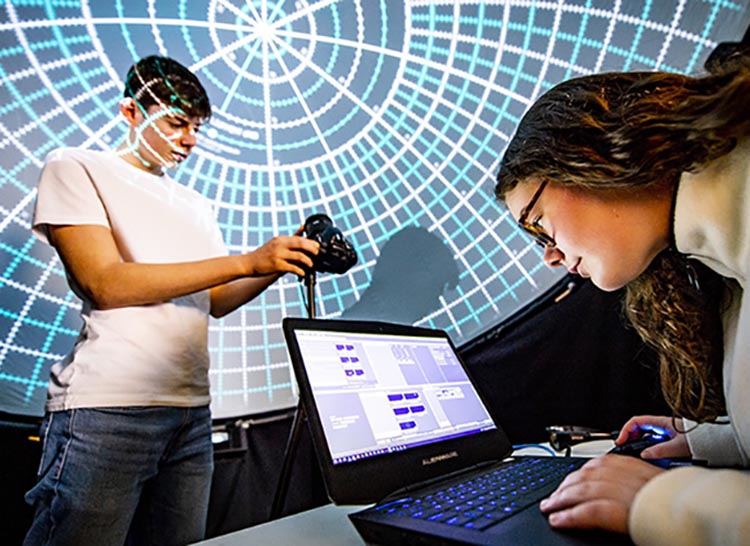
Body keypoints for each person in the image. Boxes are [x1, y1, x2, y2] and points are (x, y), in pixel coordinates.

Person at [23, 55, 319, 546]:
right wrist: (248, 261)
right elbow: (105, 282)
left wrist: (276, 261)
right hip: (108, 411)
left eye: (196, 128)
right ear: (130, 112)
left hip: (191, 414)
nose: (189, 140)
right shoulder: (75, 166)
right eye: (177, 123)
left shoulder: (195, 204)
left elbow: (216, 299)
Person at [495, 61, 750, 545]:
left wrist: (661, 501)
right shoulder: (728, 270)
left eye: (536, 223)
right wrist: (718, 438)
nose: (549, 256)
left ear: (586, 156)